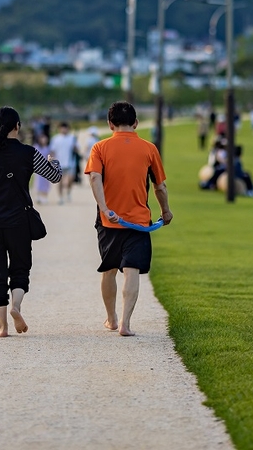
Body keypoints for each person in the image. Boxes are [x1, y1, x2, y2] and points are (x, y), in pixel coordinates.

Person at [0, 106, 62, 337]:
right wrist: (53, 161)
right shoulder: (29, 152)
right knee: (20, 268)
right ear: (18, 126)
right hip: (19, 221)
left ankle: (2, 327)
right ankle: (16, 307)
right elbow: (54, 176)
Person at [85, 101, 173, 337]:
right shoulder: (149, 149)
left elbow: (94, 178)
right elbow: (160, 186)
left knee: (109, 269)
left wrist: (105, 208)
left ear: (109, 124)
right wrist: (165, 211)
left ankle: (111, 319)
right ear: (135, 123)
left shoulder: (99, 148)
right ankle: (125, 323)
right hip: (139, 221)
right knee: (131, 270)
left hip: (108, 221)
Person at [49, 122, 77, 204]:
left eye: (65, 128)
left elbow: (77, 150)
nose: (64, 129)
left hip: (70, 162)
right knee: (60, 181)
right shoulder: (55, 139)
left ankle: (68, 191)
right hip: (59, 163)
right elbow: (52, 151)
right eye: (62, 128)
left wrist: (75, 148)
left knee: (70, 180)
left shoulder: (72, 138)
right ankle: (60, 197)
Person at [33, 132, 53, 205]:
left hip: (46, 168)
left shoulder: (48, 148)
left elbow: (51, 157)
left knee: (45, 183)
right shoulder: (36, 147)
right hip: (38, 167)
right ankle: (38, 196)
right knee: (38, 182)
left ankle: (44, 197)